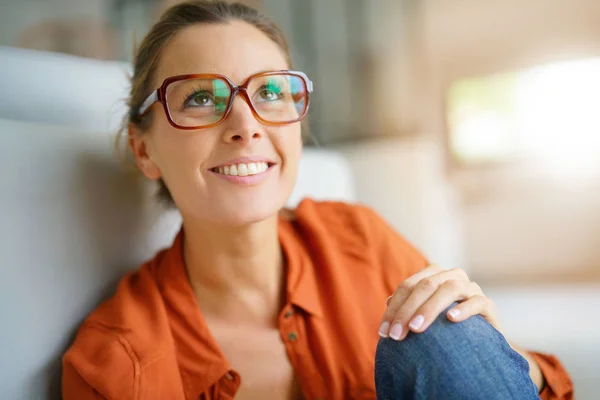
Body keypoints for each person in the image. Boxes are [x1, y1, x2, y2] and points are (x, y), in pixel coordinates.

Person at [62, 1, 573, 399]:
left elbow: (534, 382)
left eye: (270, 93)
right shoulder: (114, 364)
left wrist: (486, 355)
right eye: (201, 98)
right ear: (144, 149)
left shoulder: (359, 240)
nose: (246, 126)